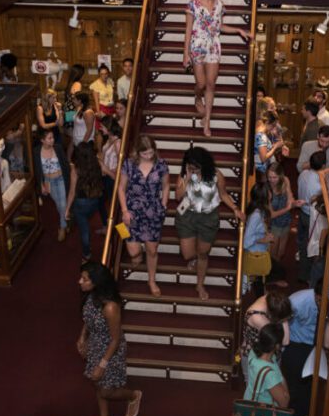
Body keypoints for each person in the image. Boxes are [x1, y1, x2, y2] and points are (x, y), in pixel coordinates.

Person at [183, 0, 251, 137]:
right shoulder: (193, 4)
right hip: (197, 45)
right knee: (201, 84)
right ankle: (198, 98)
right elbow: (188, 31)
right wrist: (185, 54)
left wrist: (238, 30)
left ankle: (206, 121)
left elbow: (219, 26)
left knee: (211, 84)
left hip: (213, 46)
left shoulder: (220, 5)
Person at [176, 146, 244, 300]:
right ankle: (194, 259)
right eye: (190, 166)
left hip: (208, 218)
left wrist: (235, 208)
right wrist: (186, 179)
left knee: (203, 254)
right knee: (188, 253)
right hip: (187, 216)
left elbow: (223, 194)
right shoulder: (184, 175)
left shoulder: (215, 175)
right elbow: (178, 196)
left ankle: (200, 284)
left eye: (196, 167)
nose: (193, 170)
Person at [77, 262, 142, 416]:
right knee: (97, 384)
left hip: (111, 350)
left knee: (107, 390)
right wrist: (82, 337)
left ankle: (133, 395)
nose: (80, 281)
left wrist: (102, 364)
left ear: (96, 282)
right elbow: (89, 318)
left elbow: (115, 338)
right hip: (95, 343)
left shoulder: (111, 307)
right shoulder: (91, 296)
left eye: (84, 279)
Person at [118, 135, 170, 297]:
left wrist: (163, 205)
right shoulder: (128, 164)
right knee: (133, 252)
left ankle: (152, 280)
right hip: (132, 211)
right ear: (138, 152)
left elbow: (166, 186)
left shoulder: (161, 165)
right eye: (145, 153)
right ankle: (138, 254)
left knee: (152, 250)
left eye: (151, 152)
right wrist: (125, 210)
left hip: (153, 212)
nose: (149, 156)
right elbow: (121, 188)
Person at [238, 323, 290, 416]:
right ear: (276, 345)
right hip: (264, 415)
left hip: (250, 407)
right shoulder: (270, 373)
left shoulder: (254, 353)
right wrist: (281, 377)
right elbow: (284, 401)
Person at [282, 281, 323, 416]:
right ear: (315, 295)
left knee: (311, 385)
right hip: (296, 344)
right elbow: (282, 320)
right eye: (319, 300)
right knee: (294, 384)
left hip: (317, 345)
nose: (321, 304)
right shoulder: (298, 301)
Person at [240, 290, 292, 380]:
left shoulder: (271, 299)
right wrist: (284, 319)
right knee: (256, 391)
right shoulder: (256, 316)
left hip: (269, 355)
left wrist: (284, 315)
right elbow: (285, 341)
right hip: (256, 358)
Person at [66, 143, 105, 262]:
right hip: (95, 200)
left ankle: (87, 254)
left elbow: (72, 192)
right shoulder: (97, 164)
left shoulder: (76, 169)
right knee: (86, 224)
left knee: (84, 230)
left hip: (81, 203)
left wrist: (67, 209)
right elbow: (106, 173)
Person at [35, 129, 70, 242]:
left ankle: (62, 228)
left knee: (63, 203)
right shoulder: (36, 152)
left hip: (60, 179)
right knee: (59, 205)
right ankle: (66, 220)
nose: (52, 140)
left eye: (53, 137)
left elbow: (65, 164)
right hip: (48, 181)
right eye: (49, 138)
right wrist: (41, 185)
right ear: (42, 140)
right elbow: (37, 171)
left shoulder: (58, 148)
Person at [297, 151, 326, 283]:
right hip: (312, 217)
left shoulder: (303, 174)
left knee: (302, 244)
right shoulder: (320, 185)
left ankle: (302, 273)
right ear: (324, 165)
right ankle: (306, 276)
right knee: (310, 248)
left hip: (302, 213)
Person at [243, 182, 274, 296]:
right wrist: (263, 239)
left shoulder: (258, 210)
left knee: (260, 283)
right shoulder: (256, 215)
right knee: (258, 285)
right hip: (256, 254)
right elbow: (246, 241)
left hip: (259, 252)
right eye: (268, 191)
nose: (271, 193)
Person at [266, 163, 303, 262]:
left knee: (281, 252)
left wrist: (295, 204)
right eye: (269, 177)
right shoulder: (267, 189)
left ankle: (276, 270)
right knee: (272, 253)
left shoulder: (285, 180)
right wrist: (288, 208)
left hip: (286, 221)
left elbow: (290, 200)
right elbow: (272, 214)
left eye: (275, 177)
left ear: (280, 176)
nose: (272, 180)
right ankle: (271, 273)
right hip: (272, 224)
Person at [97, 117, 122, 234]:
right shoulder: (108, 139)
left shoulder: (118, 143)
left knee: (116, 210)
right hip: (105, 177)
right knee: (100, 202)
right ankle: (107, 227)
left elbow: (120, 165)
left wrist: (107, 169)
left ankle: (124, 235)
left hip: (112, 178)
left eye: (102, 126)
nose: (100, 128)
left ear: (109, 127)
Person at [254, 111, 286, 180]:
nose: (273, 128)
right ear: (267, 122)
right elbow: (263, 158)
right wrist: (275, 147)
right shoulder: (261, 136)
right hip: (262, 172)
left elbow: (262, 150)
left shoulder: (260, 133)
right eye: (273, 125)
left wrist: (273, 146)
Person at [306, 196, 329, 289]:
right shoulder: (326, 221)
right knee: (318, 271)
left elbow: (313, 200)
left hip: (313, 246)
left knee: (315, 271)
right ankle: (313, 287)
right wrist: (320, 252)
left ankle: (311, 285)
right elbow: (323, 234)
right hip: (319, 249)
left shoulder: (313, 209)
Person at [90, 64, 116, 135]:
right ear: (99, 74)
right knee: (101, 131)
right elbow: (96, 100)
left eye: (106, 73)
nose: (104, 76)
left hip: (111, 108)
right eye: (102, 74)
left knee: (111, 130)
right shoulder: (96, 84)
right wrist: (98, 112)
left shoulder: (110, 81)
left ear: (108, 73)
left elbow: (113, 96)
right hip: (102, 109)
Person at [70, 91, 96, 158]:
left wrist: (83, 144)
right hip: (77, 142)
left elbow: (89, 130)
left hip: (85, 143)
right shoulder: (79, 109)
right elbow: (71, 119)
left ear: (80, 101)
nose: (73, 101)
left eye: (74, 99)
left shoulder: (88, 112)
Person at [63, 64, 86, 137]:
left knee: (70, 134)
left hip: (68, 109)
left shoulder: (70, 83)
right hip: (73, 110)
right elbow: (77, 98)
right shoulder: (77, 84)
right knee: (74, 134)